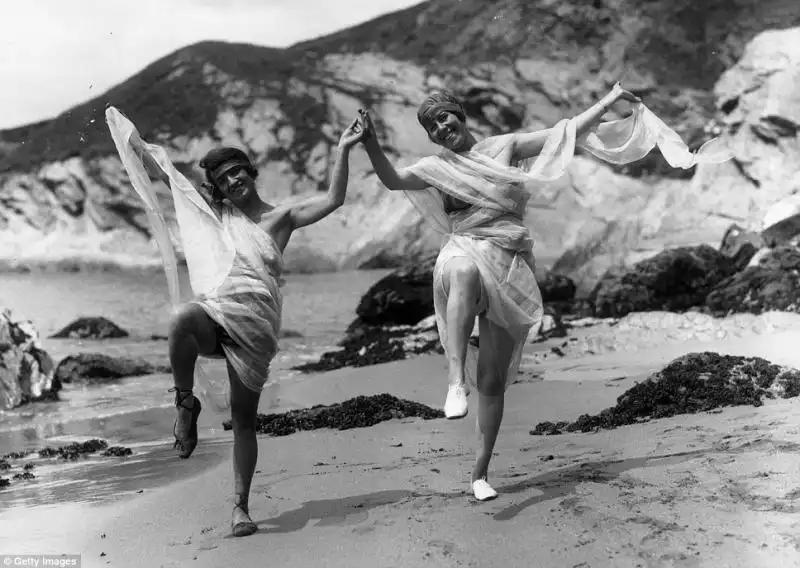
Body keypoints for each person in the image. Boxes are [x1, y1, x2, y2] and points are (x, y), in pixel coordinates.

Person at [356, 83, 730, 501]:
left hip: (508, 262)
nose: (440, 128)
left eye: (444, 117)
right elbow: (391, 179)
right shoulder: (436, 167)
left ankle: (480, 474)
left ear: (460, 115)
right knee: (462, 272)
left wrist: (608, 100)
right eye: (431, 126)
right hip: (463, 250)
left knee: (493, 382)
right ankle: (454, 380)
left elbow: (565, 132)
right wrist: (371, 144)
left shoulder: (505, 146)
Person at [106, 107, 366, 536]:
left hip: (257, 329)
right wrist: (136, 142)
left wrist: (343, 148)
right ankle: (185, 403)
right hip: (218, 314)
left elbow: (334, 199)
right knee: (181, 319)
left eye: (237, 173)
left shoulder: (280, 218)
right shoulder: (218, 215)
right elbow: (174, 182)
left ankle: (240, 508)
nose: (232, 182)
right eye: (223, 179)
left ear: (250, 171)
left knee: (245, 422)